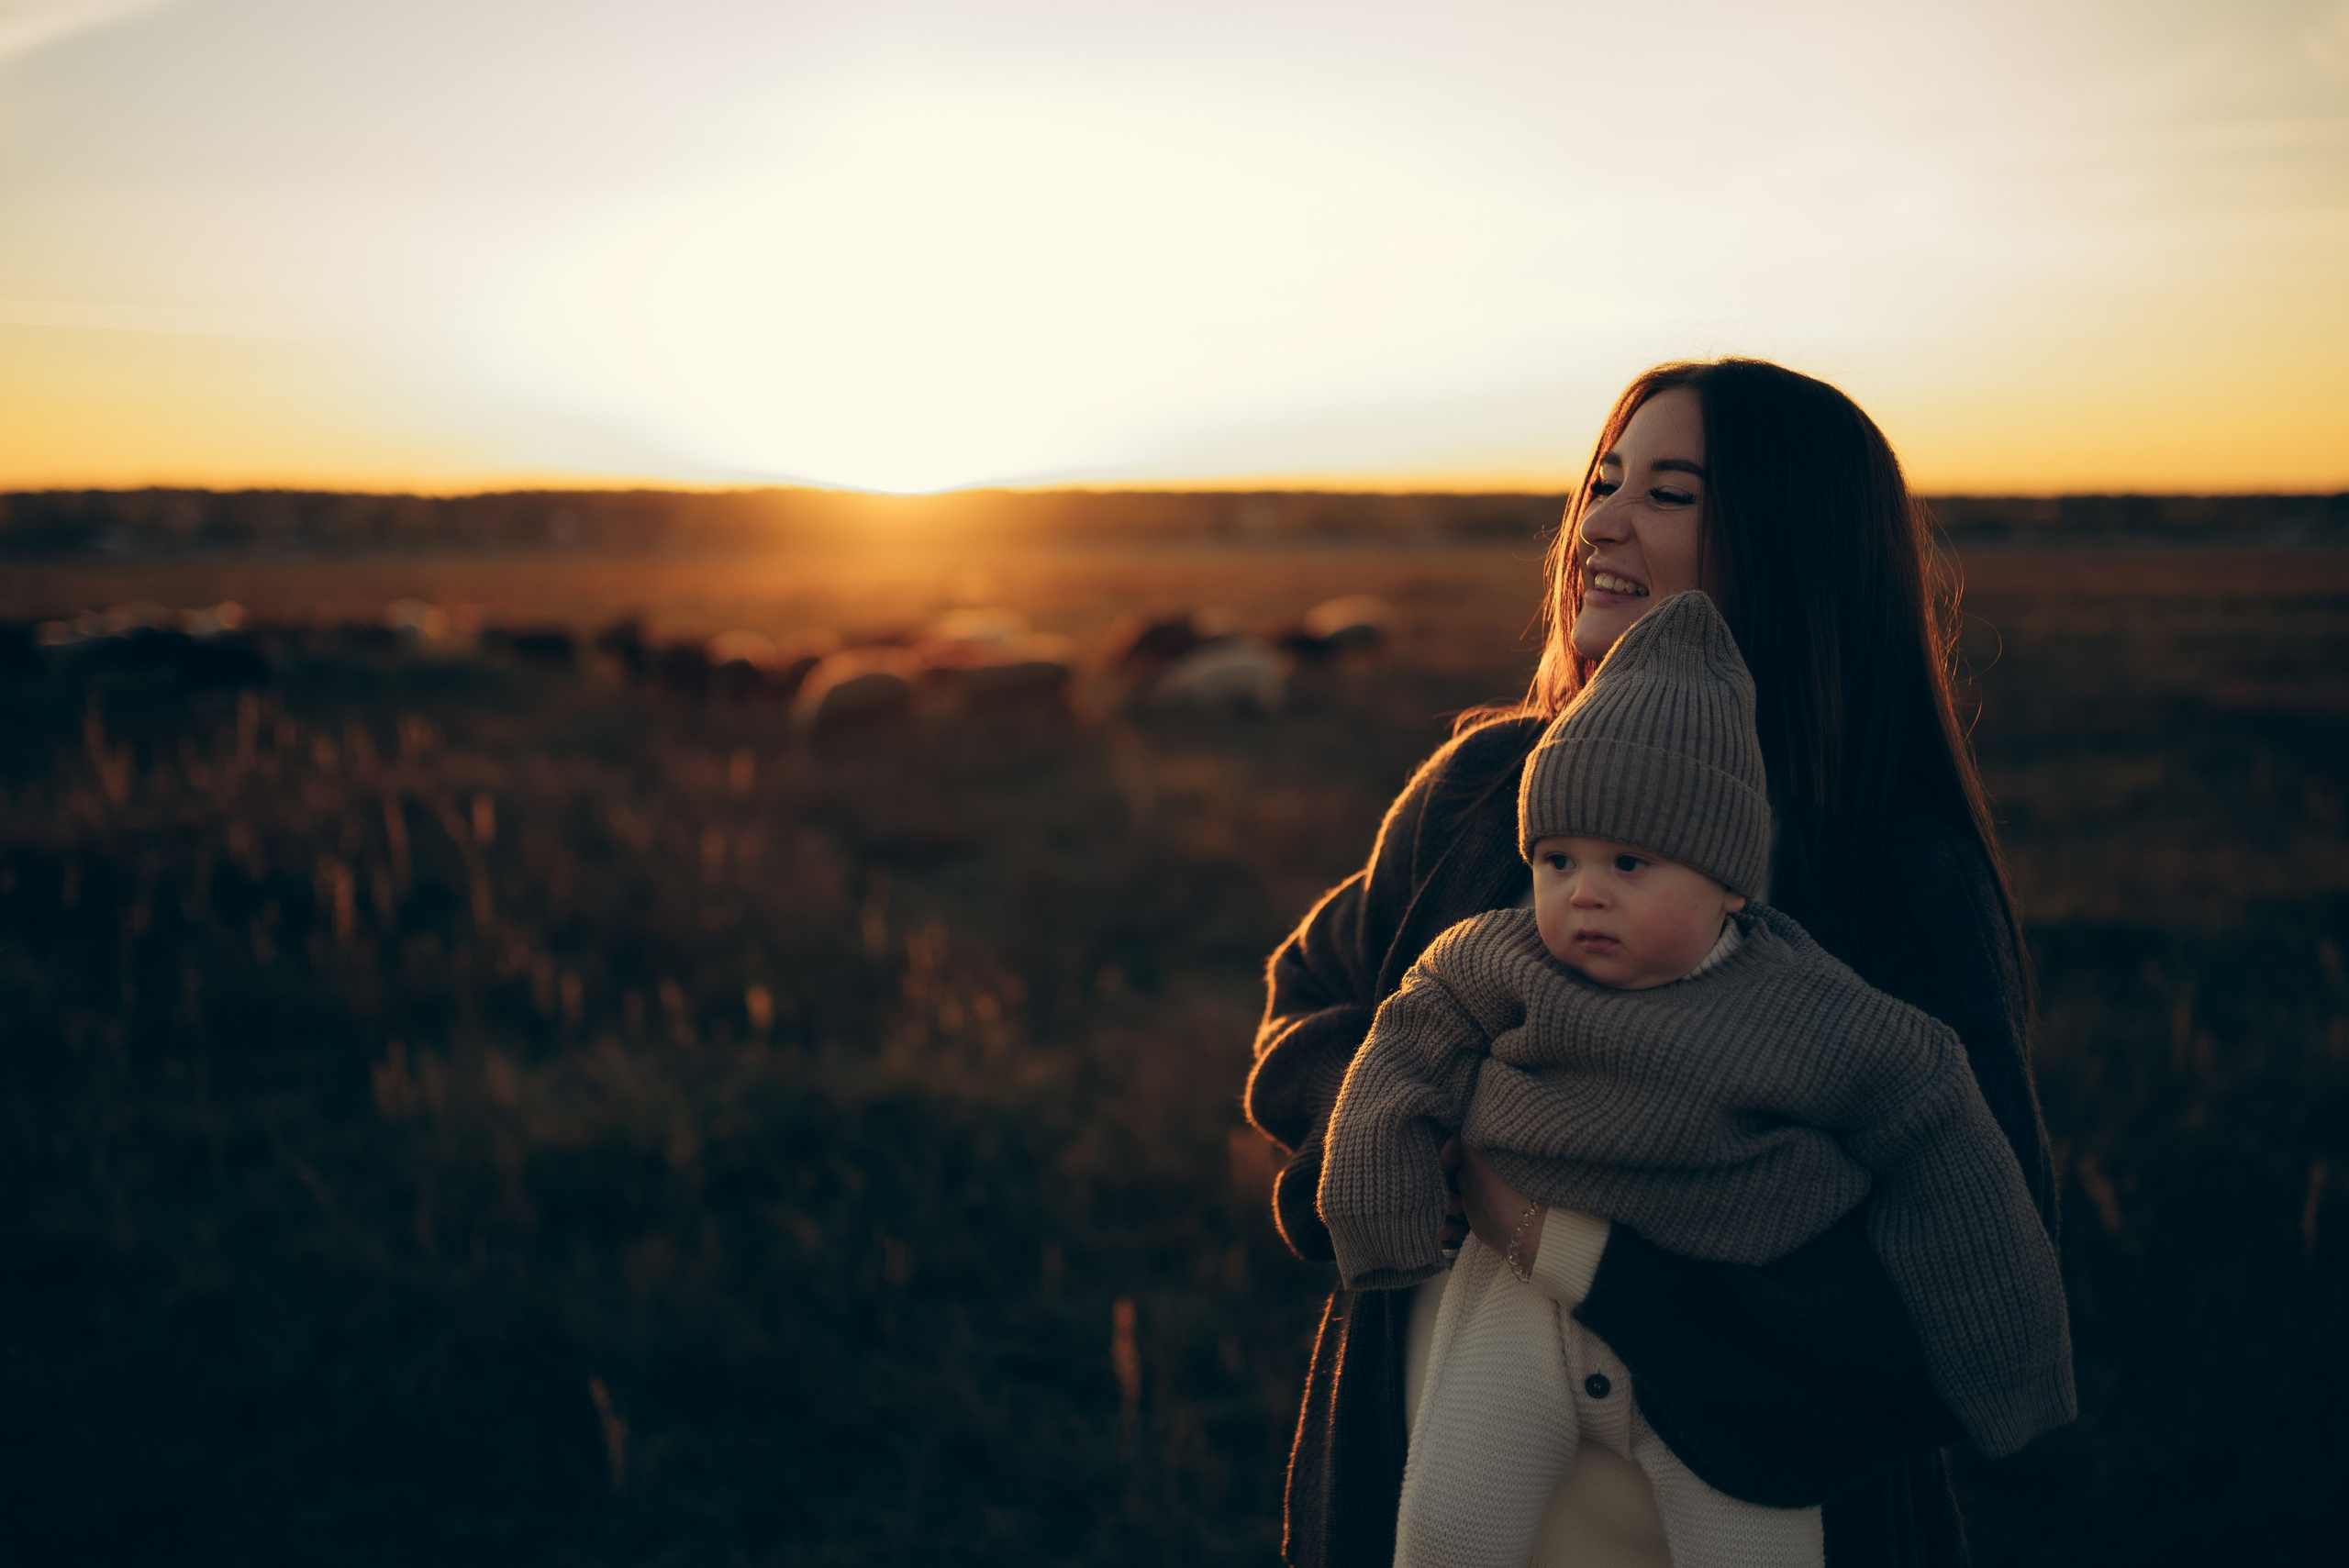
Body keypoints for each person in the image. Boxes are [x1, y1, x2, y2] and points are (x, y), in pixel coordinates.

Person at [1244, 358, 2059, 1568]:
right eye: (1604, 481)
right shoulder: (1484, 789)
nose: (1600, 523)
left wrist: (1584, 1248)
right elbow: (1306, 1008)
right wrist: (1440, 1130)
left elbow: (1946, 1288)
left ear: (1792, 548)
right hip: (1421, 1478)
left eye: (1669, 493)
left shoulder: (1891, 872)